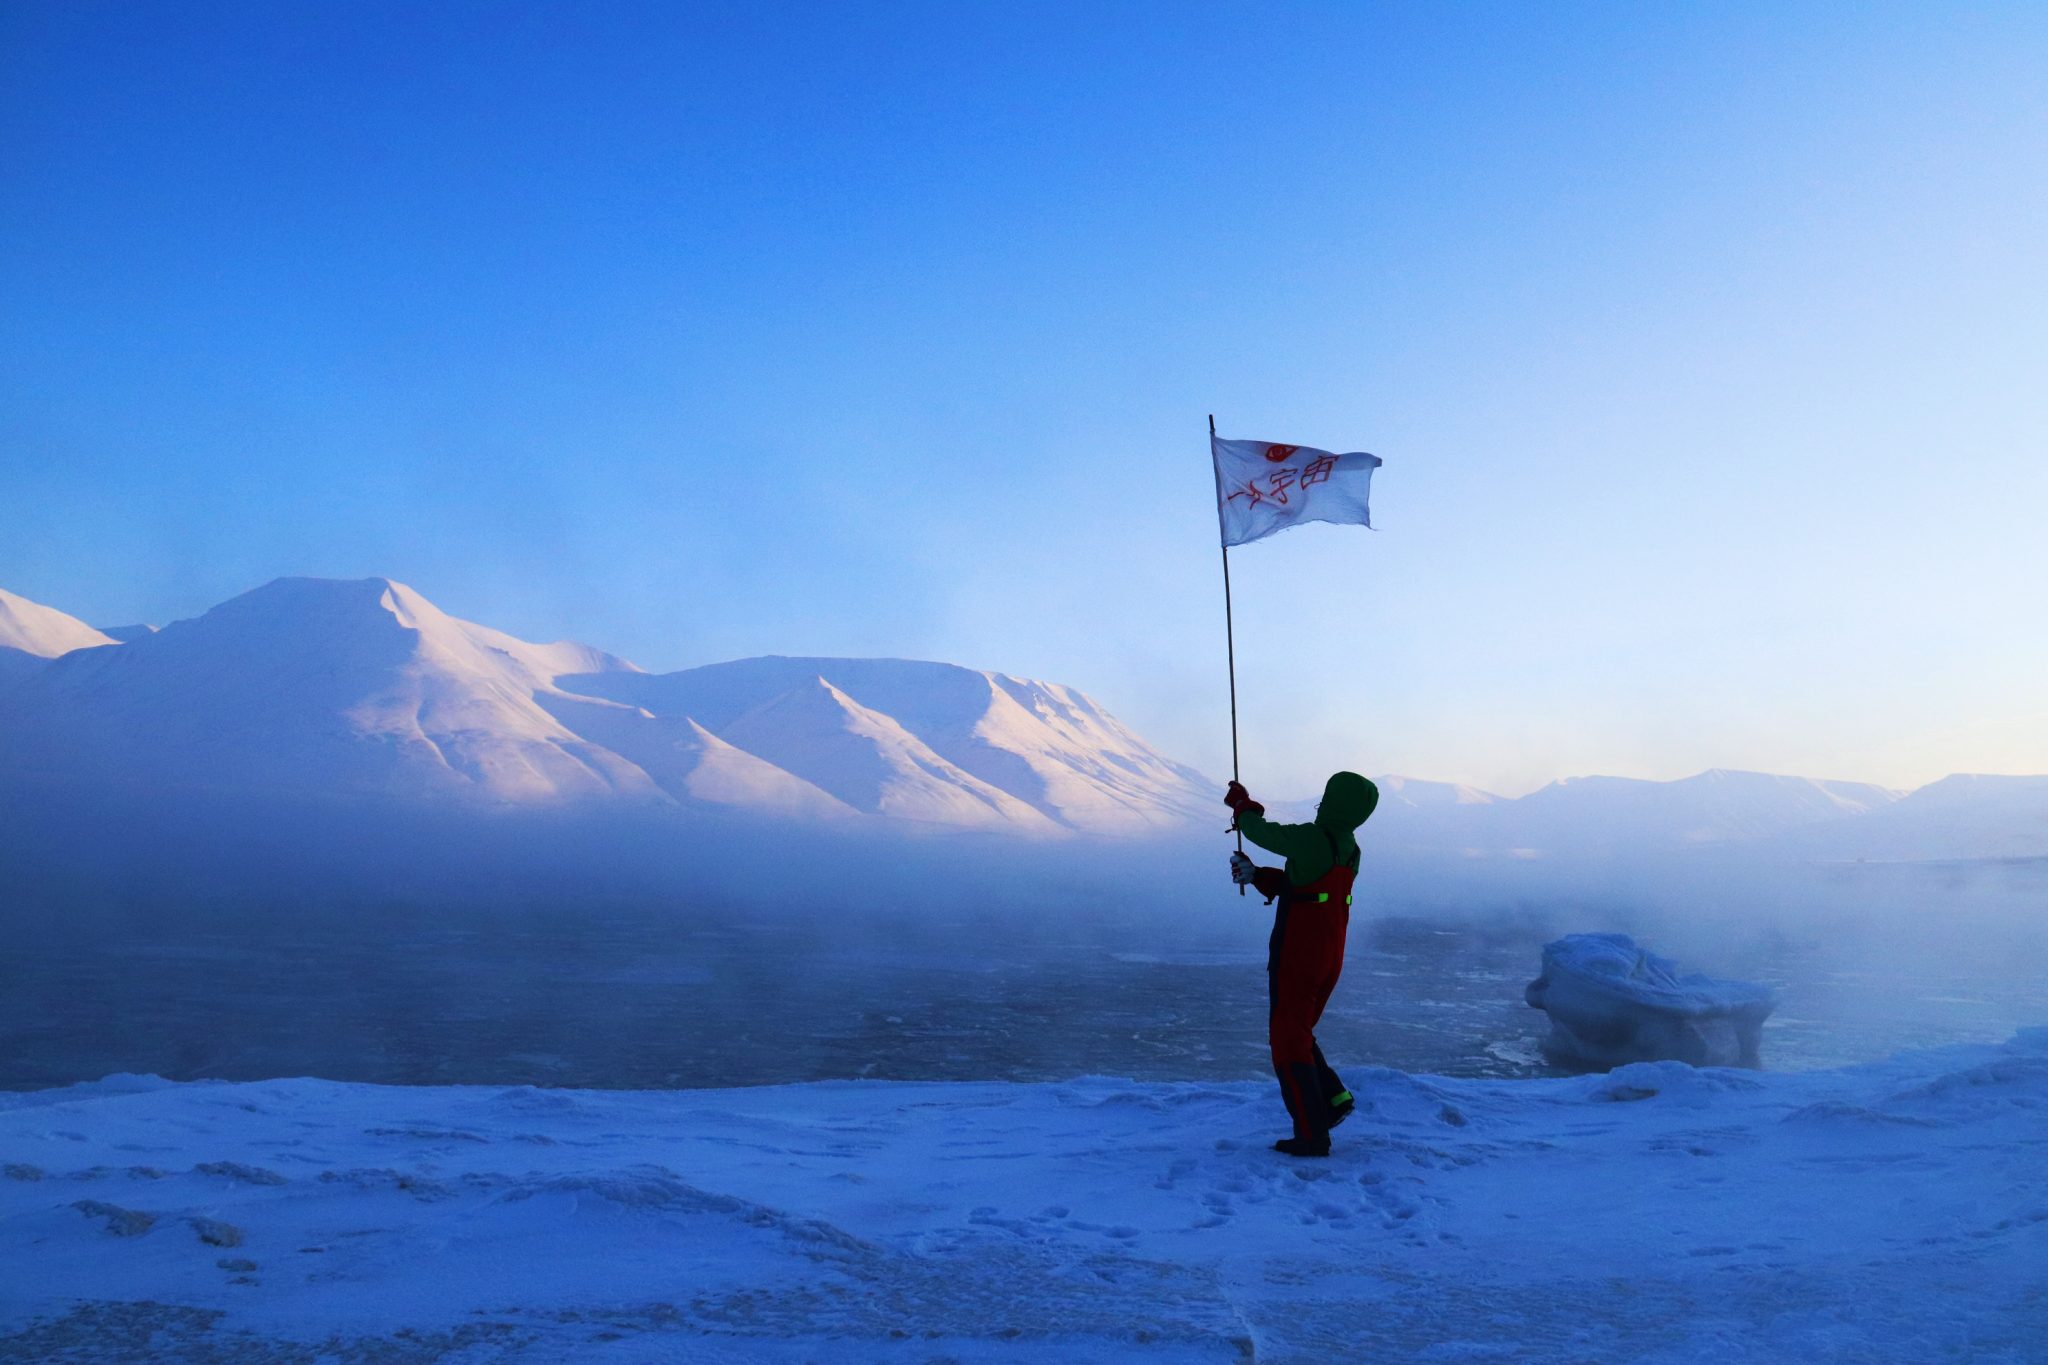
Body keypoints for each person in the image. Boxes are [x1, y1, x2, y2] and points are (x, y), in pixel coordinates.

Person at [1224, 771, 1379, 1157]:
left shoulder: (1314, 838)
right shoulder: (1348, 846)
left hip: (1299, 954)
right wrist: (1257, 875)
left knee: (1287, 1040)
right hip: (1329, 954)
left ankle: (1312, 1134)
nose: (1319, 804)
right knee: (1299, 1028)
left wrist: (1243, 807)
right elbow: (1310, 890)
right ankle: (1334, 1099)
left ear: (1334, 802)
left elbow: (1266, 835)